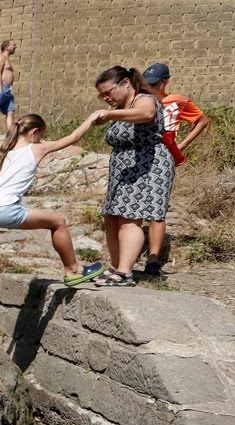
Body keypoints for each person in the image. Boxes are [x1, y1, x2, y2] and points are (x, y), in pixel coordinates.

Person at [0, 113, 105, 330]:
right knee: (57, 221)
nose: (42, 140)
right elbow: (74, 137)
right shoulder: (35, 148)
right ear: (35, 132)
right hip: (6, 210)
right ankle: (73, 269)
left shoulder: (1, 153)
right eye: (41, 135)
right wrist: (91, 119)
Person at [90, 66, 175, 287]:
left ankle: (125, 273)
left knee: (130, 218)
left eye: (108, 92)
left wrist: (109, 114)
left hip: (146, 166)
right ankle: (116, 268)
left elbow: (147, 114)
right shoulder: (123, 107)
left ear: (126, 83)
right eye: (102, 95)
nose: (106, 98)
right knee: (112, 219)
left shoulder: (144, 99)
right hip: (124, 170)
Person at [141, 62, 211, 275]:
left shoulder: (178, 101)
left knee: (157, 208)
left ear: (165, 81)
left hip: (165, 156)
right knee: (135, 207)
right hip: (141, 155)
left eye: (154, 84)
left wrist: (180, 146)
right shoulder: (142, 101)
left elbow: (202, 121)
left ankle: (153, 259)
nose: (150, 87)